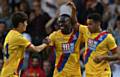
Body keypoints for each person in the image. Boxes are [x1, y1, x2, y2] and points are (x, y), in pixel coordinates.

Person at [0, 12, 49, 77]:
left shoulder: (10, 34)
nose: (26, 24)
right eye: (25, 22)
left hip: (6, 73)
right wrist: (45, 44)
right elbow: (36, 49)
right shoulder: (18, 37)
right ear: (20, 24)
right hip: (11, 74)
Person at [47, 2, 82, 77]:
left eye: (64, 22)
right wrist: (47, 46)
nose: (61, 25)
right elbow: (47, 52)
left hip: (74, 73)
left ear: (70, 22)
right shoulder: (54, 35)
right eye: (60, 23)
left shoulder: (78, 34)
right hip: (60, 73)